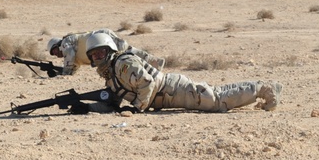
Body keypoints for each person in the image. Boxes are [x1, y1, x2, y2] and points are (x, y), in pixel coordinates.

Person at [85, 31, 281, 113]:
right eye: (94, 55)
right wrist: (89, 108)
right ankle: (260, 87)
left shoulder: (123, 64)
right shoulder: (111, 75)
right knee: (216, 94)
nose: (98, 57)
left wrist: (137, 108)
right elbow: (114, 103)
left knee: (217, 102)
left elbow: (147, 83)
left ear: (110, 50)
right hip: (168, 94)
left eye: (101, 52)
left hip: (173, 90)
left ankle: (264, 89)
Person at [47, 29, 165, 76]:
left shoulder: (66, 42)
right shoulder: (74, 57)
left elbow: (69, 55)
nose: (56, 54)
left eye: (55, 50)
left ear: (58, 44)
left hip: (101, 38)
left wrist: (65, 72)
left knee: (126, 51)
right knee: (127, 51)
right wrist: (59, 74)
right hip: (101, 40)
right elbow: (72, 68)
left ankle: (154, 63)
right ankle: (155, 63)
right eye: (53, 54)